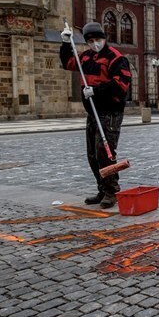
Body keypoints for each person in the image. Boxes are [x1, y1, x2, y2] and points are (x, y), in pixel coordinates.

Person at [60, 21, 132, 209]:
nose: (95, 44)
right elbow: (68, 63)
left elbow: (121, 85)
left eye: (98, 39)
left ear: (104, 38)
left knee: (104, 152)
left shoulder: (116, 58)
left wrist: (97, 90)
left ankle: (112, 191)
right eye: (91, 41)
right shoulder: (86, 57)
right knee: (92, 154)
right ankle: (102, 188)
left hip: (110, 111)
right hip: (93, 112)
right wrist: (66, 44)